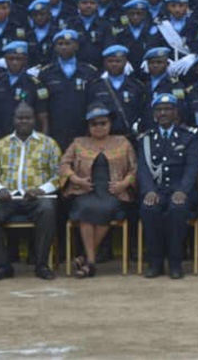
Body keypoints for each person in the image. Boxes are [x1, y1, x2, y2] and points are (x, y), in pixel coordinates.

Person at [0, 103, 61, 281]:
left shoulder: (49, 144)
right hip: (7, 198)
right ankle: (2, 266)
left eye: (28, 118)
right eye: (20, 117)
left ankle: (41, 265)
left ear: (35, 120)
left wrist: (40, 190)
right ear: (13, 120)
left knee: (47, 209)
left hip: (36, 198)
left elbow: (58, 176)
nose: (23, 121)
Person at [60, 103, 137, 278]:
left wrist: (124, 184)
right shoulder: (79, 142)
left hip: (114, 192)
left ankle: (87, 260)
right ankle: (91, 262)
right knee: (86, 208)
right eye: (94, 124)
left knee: (106, 209)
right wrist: (76, 179)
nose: (99, 127)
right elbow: (64, 164)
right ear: (88, 126)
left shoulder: (123, 142)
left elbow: (135, 169)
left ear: (110, 124)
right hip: (85, 190)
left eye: (103, 123)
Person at [137, 94, 198, 279]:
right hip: (156, 190)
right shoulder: (146, 138)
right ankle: (155, 263)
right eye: (159, 110)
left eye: (167, 109)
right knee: (148, 209)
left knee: (177, 210)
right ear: (154, 114)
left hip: (181, 190)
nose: (163, 113)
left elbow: (192, 167)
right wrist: (149, 190)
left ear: (175, 112)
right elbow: (142, 168)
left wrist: (182, 190)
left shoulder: (189, 137)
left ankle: (175, 262)